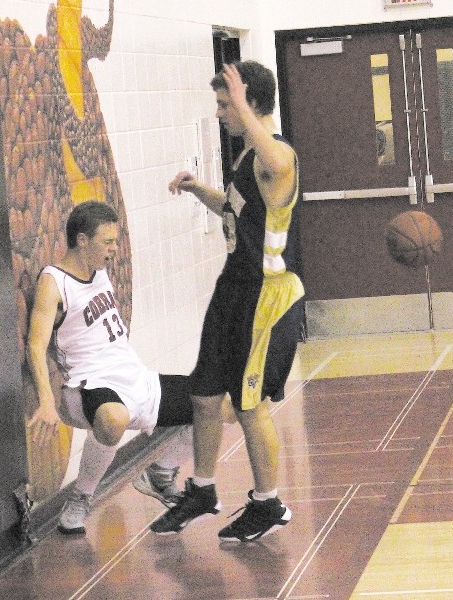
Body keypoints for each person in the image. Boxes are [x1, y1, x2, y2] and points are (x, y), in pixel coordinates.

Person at [150, 61, 304, 542]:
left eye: (225, 105)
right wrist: (200, 192)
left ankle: (268, 501)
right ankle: (203, 489)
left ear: (250, 103)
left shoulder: (275, 154)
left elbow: (278, 164)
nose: (220, 114)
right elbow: (236, 207)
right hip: (232, 290)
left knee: (249, 404)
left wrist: (239, 102)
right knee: (203, 393)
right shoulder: (243, 161)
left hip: (266, 296)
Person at [27, 200, 216, 534]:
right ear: (82, 241)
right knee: (114, 417)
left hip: (134, 378)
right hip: (86, 384)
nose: (114, 249)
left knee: (216, 402)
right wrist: (45, 401)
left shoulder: (99, 270)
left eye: (116, 241)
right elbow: (36, 345)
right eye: (107, 242)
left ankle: (160, 473)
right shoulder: (54, 282)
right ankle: (81, 497)